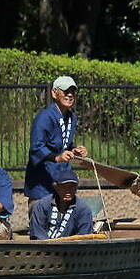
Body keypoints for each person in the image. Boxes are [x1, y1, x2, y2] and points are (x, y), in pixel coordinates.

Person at [24, 75, 88, 212]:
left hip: (62, 177)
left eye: (73, 92)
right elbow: (36, 148)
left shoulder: (72, 117)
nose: (70, 95)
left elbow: (63, 144)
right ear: (54, 93)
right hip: (42, 179)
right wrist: (56, 157)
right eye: (66, 91)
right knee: (41, 219)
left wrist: (75, 150)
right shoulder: (44, 117)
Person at [29, 169, 94, 240]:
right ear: (56, 187)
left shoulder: (83, 209)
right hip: (44, 247)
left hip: (73, 248)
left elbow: (84, 236)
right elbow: (37, 233)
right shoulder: (42, 205)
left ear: (76, 188)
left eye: (72, 187)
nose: (68, 190)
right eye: (64, 186)